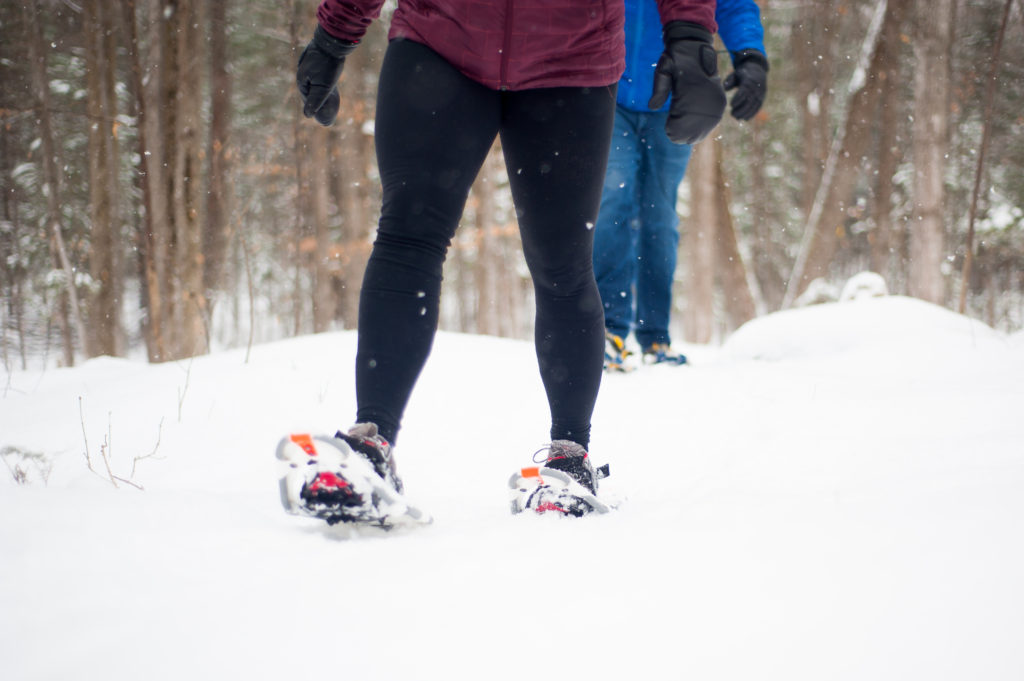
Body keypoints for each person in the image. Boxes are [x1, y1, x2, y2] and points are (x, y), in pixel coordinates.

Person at [280, 0, 725, 525]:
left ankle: (570, 458)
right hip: (441, 41)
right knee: (407, 237)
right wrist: (335, 34)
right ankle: (369, 444)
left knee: (561, 262)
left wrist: (691, 37)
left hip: (571, 60)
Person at [595, 0, 768, 371]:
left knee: (660, 216)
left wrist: (751, 56)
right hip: (610, 92)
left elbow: (734, 4)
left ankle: (655, 335)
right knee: (611, 203)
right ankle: (608, 330)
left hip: (675, 95)